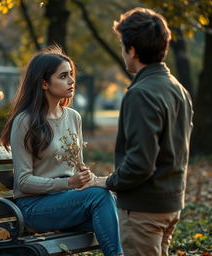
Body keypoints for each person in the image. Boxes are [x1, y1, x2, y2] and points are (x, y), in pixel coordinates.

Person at [79, 7, 193, 256]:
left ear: (132, 50)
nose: (123, 52)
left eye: (122, 45)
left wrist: (106, 181)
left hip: (144, 210)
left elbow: (140, 164)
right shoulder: (179, 90)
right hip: (170, 205)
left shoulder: (141, 93)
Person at [0, 45, 123, 256]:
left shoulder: (73, 117)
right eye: (64, 76)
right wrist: (67, 183)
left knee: (118, 207)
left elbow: (77, 167)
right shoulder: (25, 121)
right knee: (101, 197)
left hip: (68, 202)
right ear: (44, 83)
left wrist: (85, 178)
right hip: (34, 208)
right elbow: (23, 181)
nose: (72, 81)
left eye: (71, 75)